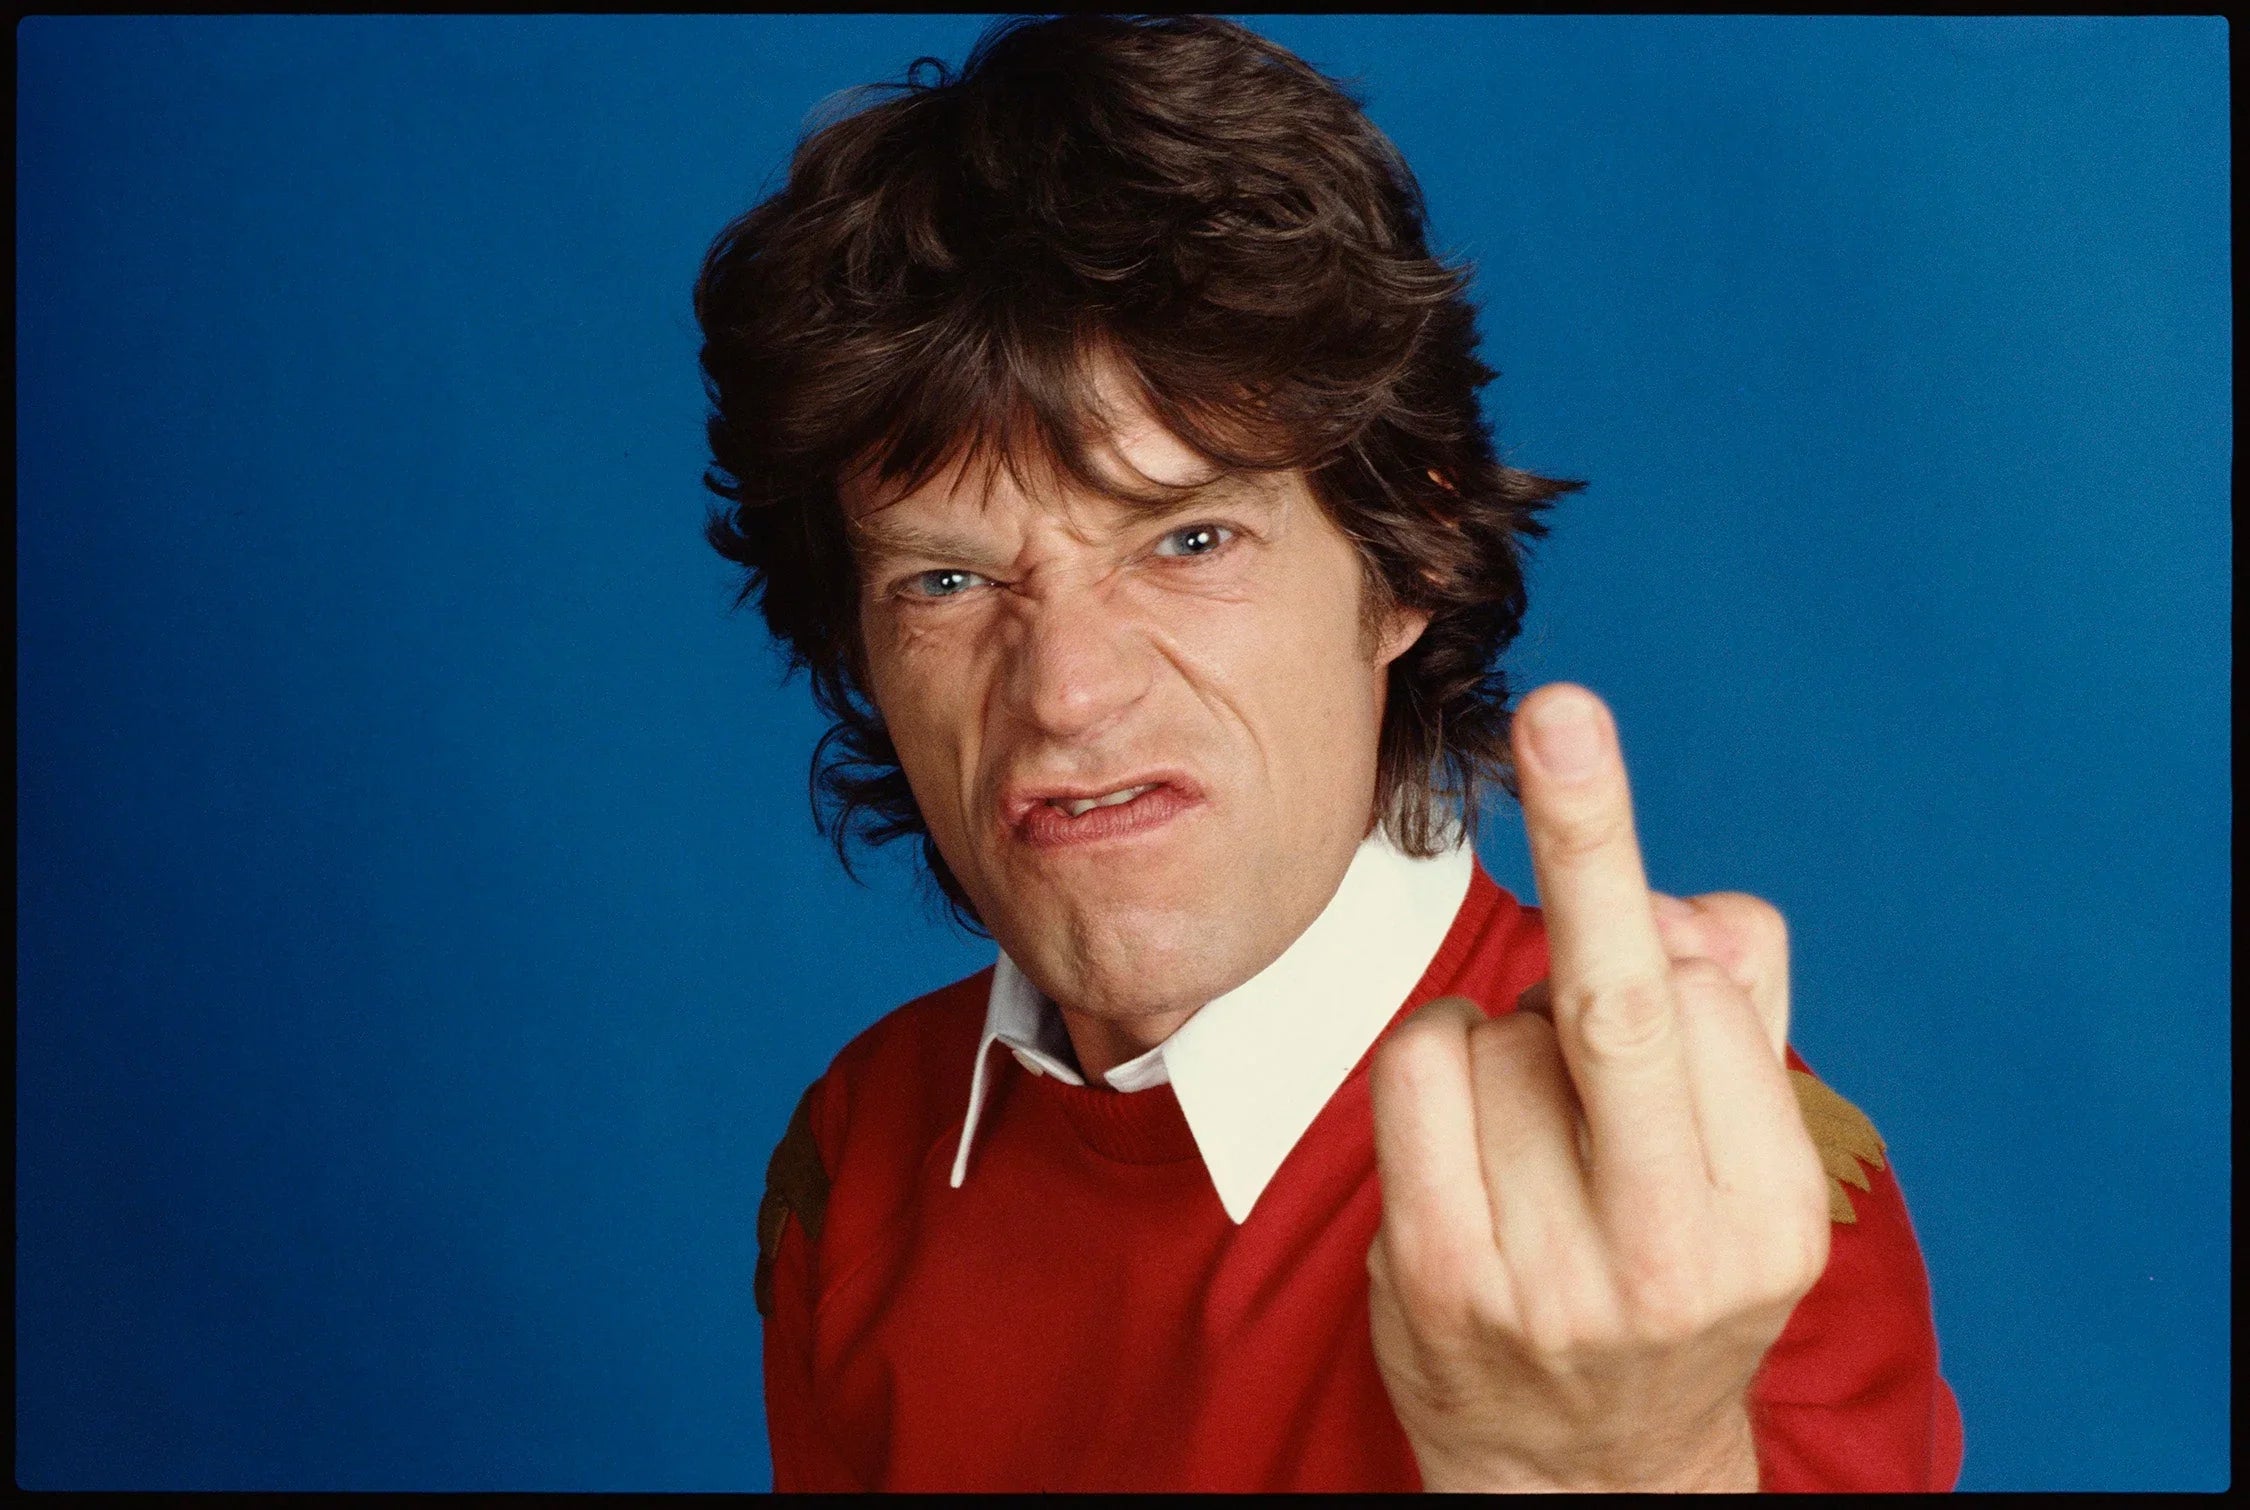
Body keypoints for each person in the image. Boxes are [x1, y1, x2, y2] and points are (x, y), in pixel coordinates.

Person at [694, 13, 1962, 1493]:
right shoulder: (855, 1157)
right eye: (949, 580)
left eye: (1187, 538)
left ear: (1401, 560)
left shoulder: (1701, 1192)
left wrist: (1635, 1465)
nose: (1067, 693)